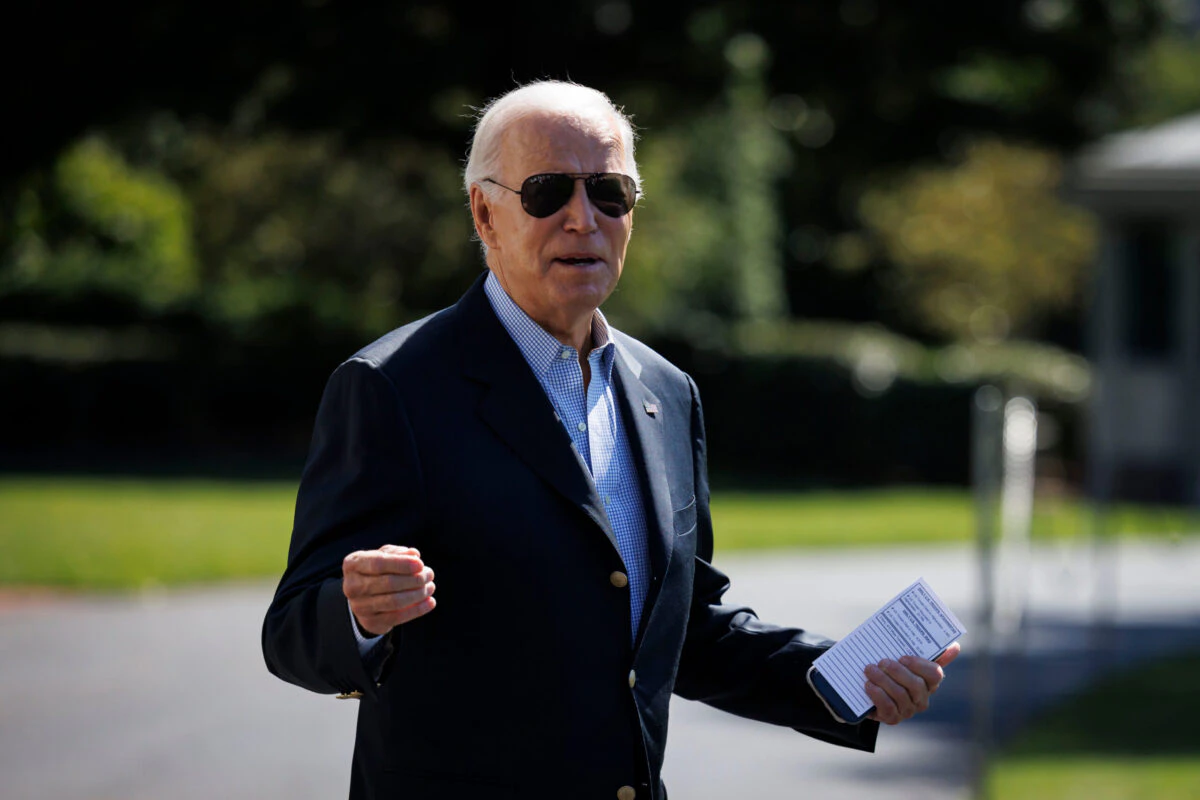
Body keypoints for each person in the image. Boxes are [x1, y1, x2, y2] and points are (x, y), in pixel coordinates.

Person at [262, 79, 959, 800]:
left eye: (609, 193)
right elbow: (291, 634)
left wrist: (846, 679)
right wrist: (358, 613)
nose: (582, 218)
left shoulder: (667, 392)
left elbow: (687, 632)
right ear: (484, 212)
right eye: (547, 191)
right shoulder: (393, 386)